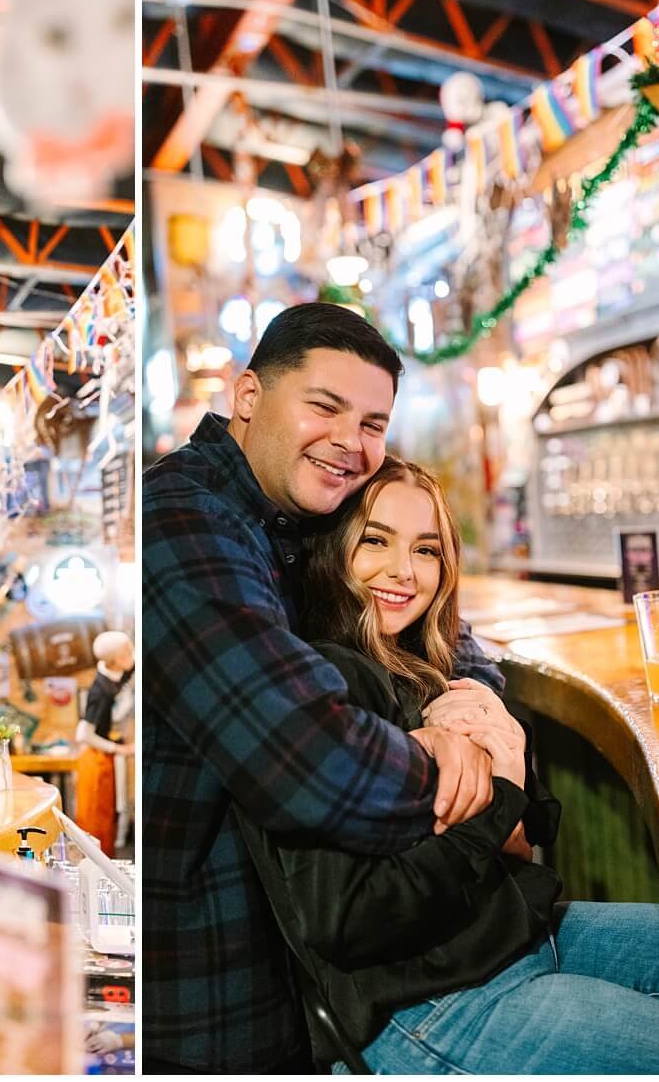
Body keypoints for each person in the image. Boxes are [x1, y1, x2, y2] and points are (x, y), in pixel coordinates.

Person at [238, 456, 659, 1073]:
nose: (404, 571)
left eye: (426, 550)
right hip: (432, 1005)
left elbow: (530, 827)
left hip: (513, 936)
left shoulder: (419, 664)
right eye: (375, 541)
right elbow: (349, 918)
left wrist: (505, 752)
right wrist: (502, 789)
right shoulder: (329, 681)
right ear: (332, 551)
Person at [143, 303, 504, 1073]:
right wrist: (458, 768)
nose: (351, 440)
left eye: (373, 423)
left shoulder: (290, 513)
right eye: (325, 406)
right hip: (210, 996)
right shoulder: (182, 518)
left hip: (298, 978)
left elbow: (453, 632)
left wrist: (469, 708)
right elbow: (308, 760)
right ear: (248, 396)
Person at [75, 630, 135, 855]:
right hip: (96, 758)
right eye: (128, 651)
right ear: (116, 660)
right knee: (97, 819)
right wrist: (121, 749)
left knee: (111, 815)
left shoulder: (122, 673)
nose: (133, 654)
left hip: (110, 755)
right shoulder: (100, 691)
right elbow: (83, 734)